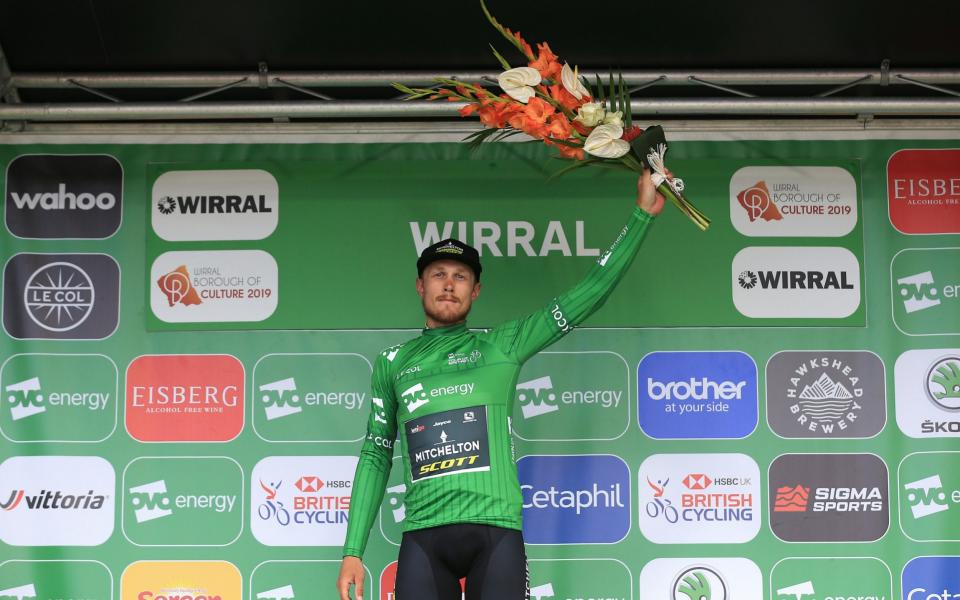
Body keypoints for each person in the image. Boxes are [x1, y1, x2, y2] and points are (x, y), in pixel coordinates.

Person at [337, 168, 666, 600]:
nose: (449, 284)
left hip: (496, 535)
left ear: (476, 291)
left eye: (461, 276)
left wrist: (642, 214)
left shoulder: (503, 345)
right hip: (422, 536)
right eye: (438, 274)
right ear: (420, 286)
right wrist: (352, 552)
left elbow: (592, 292)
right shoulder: (392, 363)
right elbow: (375, 455)